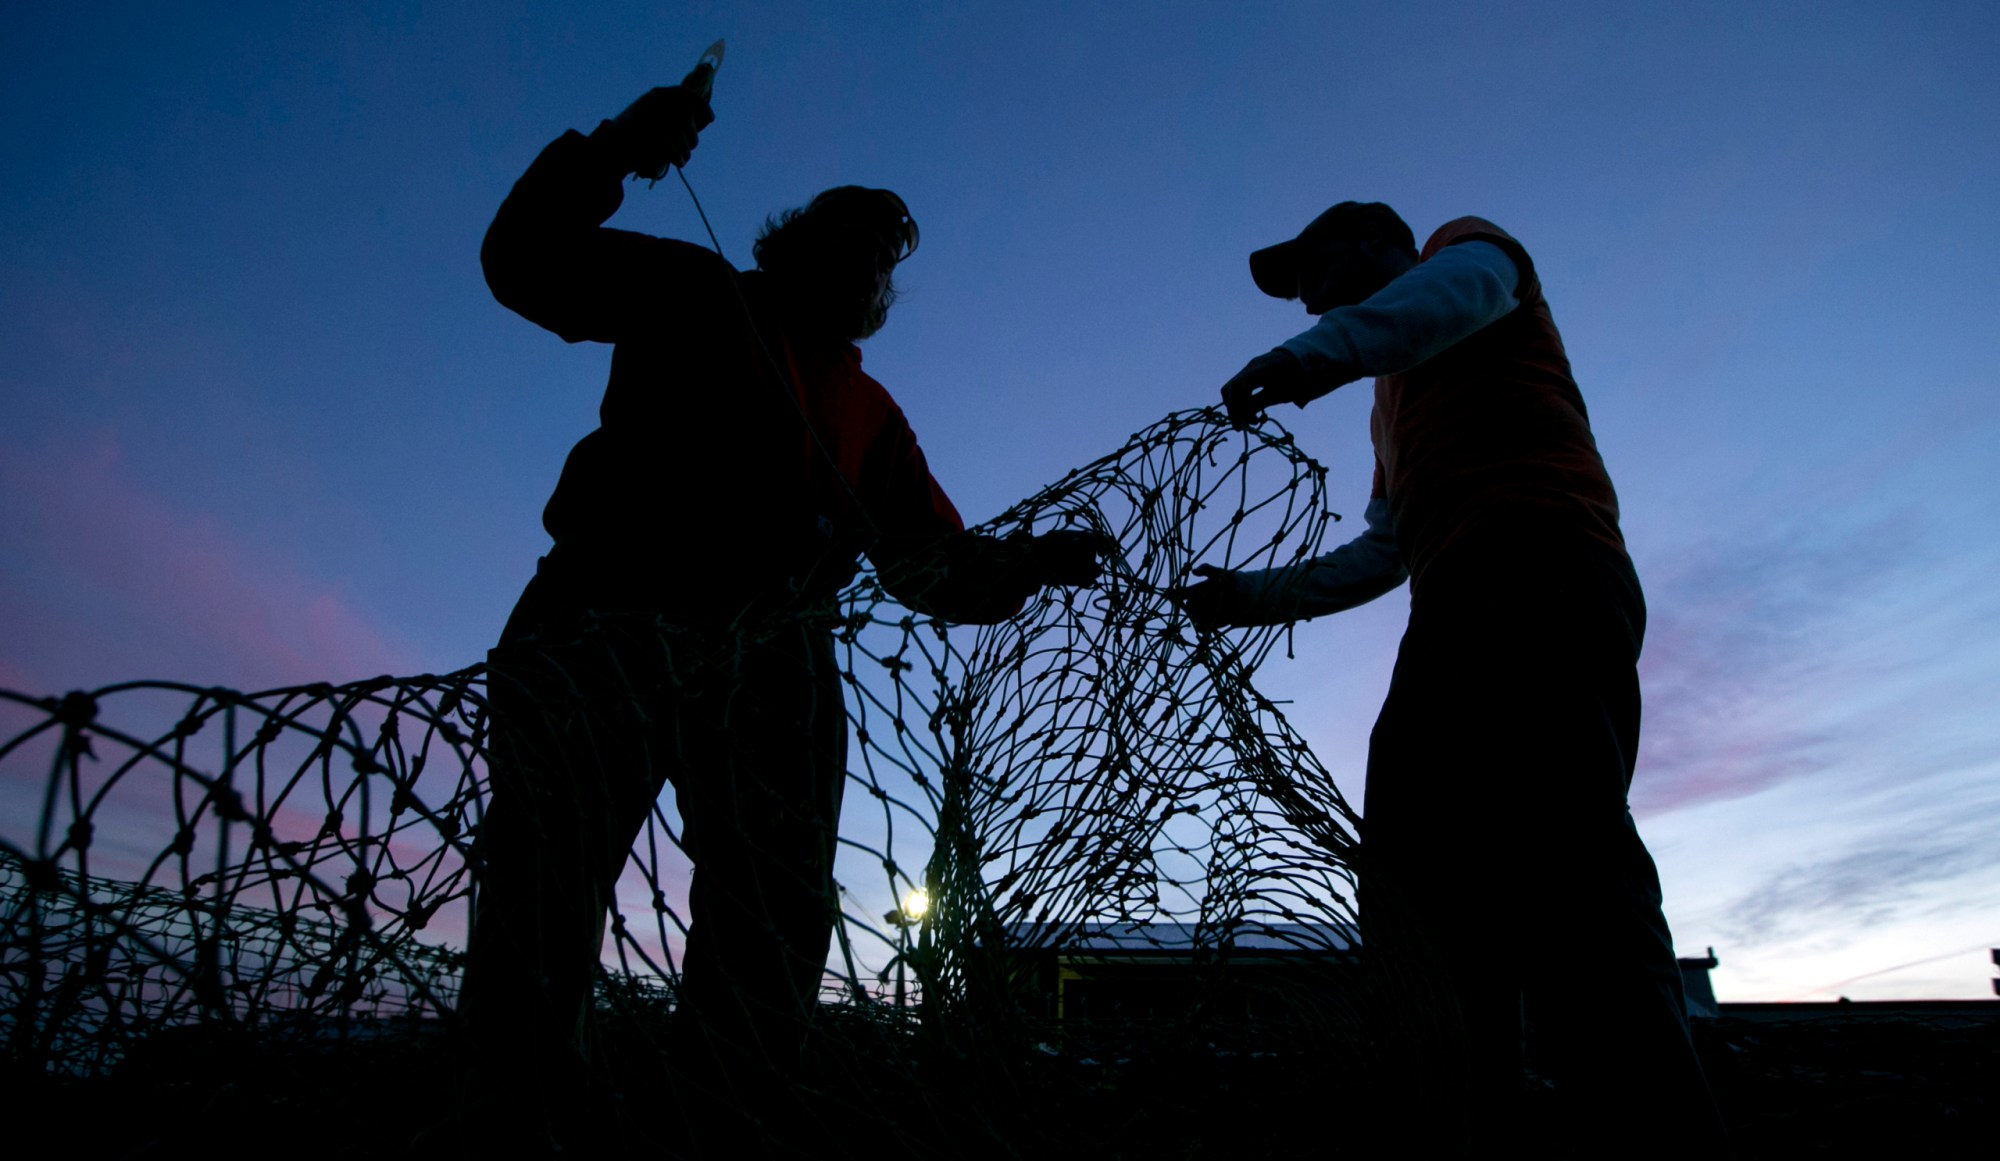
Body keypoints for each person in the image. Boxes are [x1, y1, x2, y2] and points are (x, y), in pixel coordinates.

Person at [456, 80, 1105, 1146]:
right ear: (786, 243)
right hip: (602, 623)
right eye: (845, 241)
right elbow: (523, 260)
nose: (864, 267)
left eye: (882, 262)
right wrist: (616, 146)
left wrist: (1021, 565)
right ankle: (510, 1126)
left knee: (774, 910)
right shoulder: (691, 286)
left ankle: (725, 1126)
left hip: (775, 666)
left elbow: (928, 568)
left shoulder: (873, 414)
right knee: (543, 883)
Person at [1179, 202, 1727, 1154]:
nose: (1302, 296)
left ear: (1363, 240)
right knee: (1417, 882)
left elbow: (1439, 303)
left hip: (1544, 567)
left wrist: (1306, 357)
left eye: (1306, 270)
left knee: (1568, 854)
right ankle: (1465, 1134)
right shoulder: (1391, 402)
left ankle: (1661, 1144)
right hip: (1452, 609)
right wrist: (1248, 598)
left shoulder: (1470, 255)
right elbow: (1383, 552)